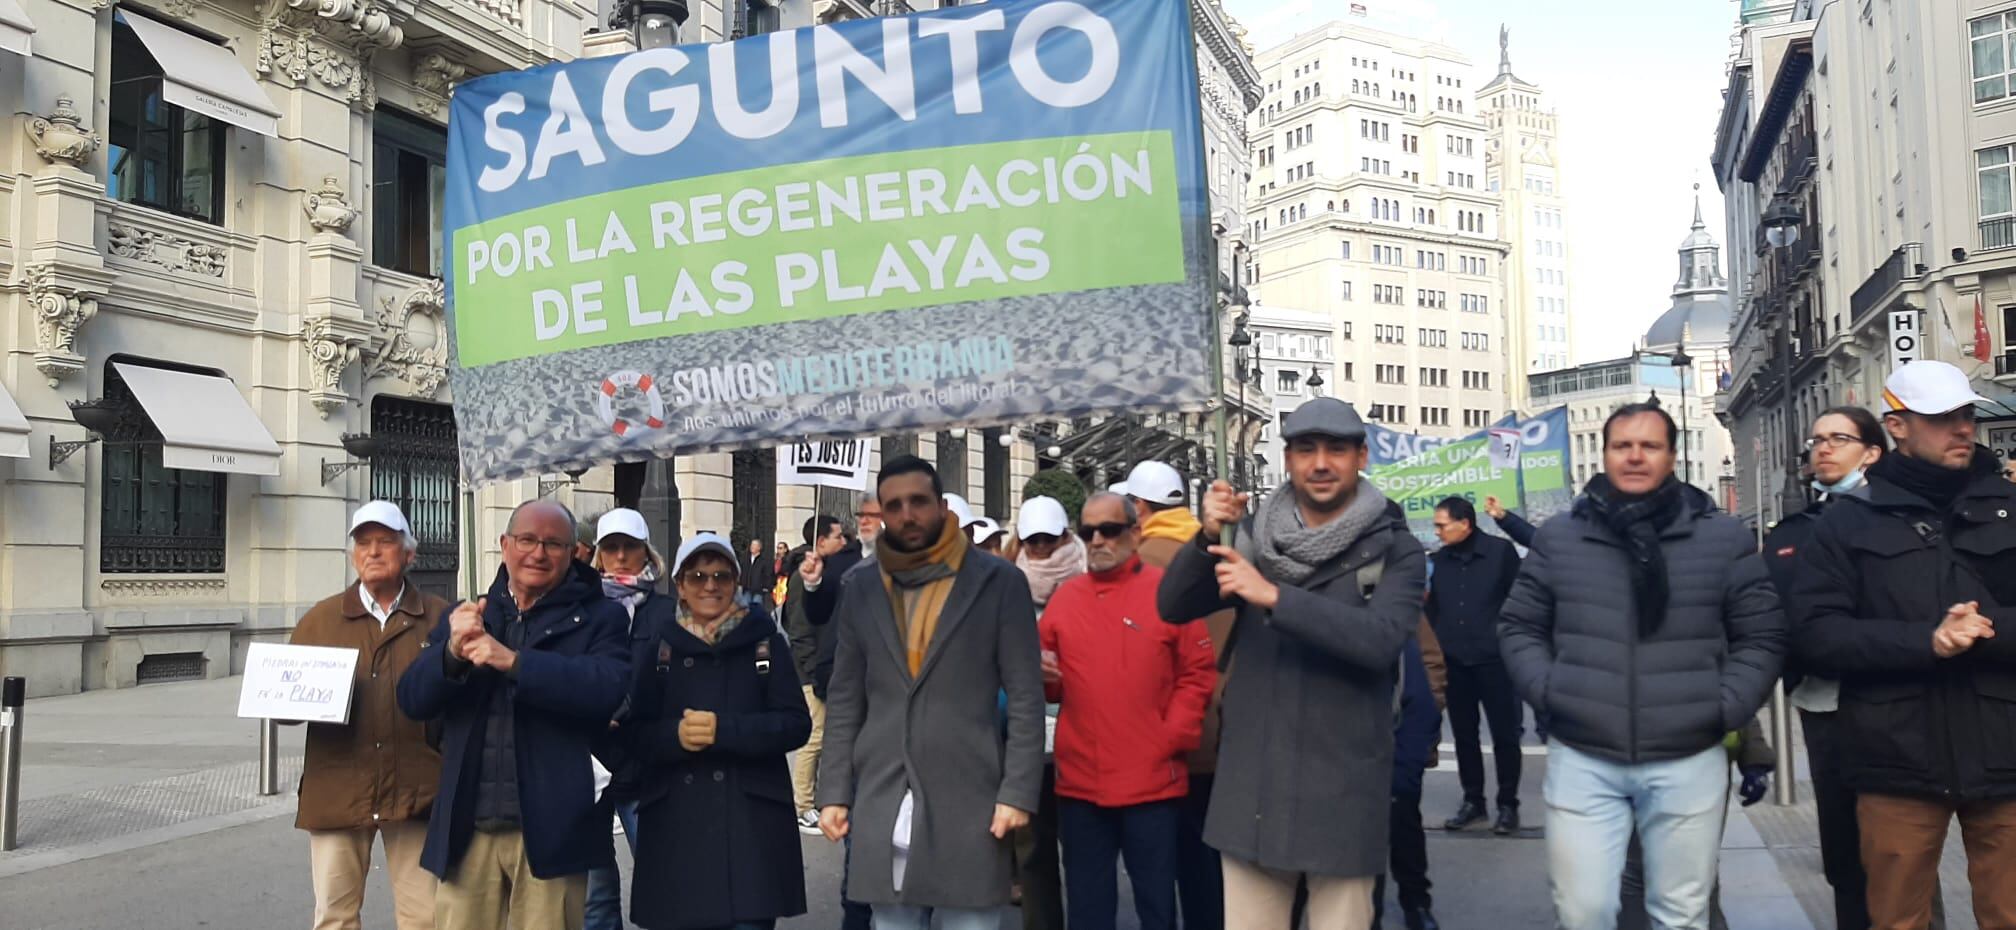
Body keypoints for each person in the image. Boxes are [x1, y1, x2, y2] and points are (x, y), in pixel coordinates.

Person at [1499, 402, 1785, 930]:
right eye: (1622, 446)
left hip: (1688, 753)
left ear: (1672, 457)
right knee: (1583, 910)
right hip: (1585, 753)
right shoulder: (1561, 538)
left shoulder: (1722, 539)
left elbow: (1761, 635)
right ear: (1603, 455)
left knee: (1681, 912)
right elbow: (1519, 626)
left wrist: (1723, 707)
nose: (1634, 456)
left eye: (1649, 446)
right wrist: (1552, 691)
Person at [1156, 397, 1426, 930]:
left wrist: (1274, 597)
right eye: (1306, 449)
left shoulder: (1397, 549)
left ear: (1362, 457)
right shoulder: (1251, 535)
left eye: (1336, 450)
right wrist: (1207, 537)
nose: (1320, 463)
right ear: (1288, 460)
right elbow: (1174, 605)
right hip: (1253, 790)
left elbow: (1380, 641)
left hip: (1344, 796)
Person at [1790, 360, 2016, 930]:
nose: (1961, 428)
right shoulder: (1846, 523)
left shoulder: (2010, 511)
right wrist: (1927, 642)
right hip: (1895, 758)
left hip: (2006, 752)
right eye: (1942, 418)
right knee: (1897, 920)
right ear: (1897, 426)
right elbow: (1817, 634)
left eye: (1966, 415)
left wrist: (1983, 631)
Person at [815, 456, 1046, 930]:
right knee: (891, 921)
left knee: (970, 921)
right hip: (884, 793)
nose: (907, 515)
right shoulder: (861, 586)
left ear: (942, 507)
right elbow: (845, 698)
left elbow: (1026, 696)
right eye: (894, 505)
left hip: (972, 796)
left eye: (918, 501)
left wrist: (1018, 792)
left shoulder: (998, 582)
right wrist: (833, 791)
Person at [397, 500, 632, 930]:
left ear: (573, 553)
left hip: (552, 830)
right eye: (527, 540)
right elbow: (412, 700)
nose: (538, 553)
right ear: (505, 545)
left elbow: (605, 688)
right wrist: (451, 655)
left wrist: (515, 662)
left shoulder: (601, 617)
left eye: (553, 544)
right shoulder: (467, 615)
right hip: (469, 827)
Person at [1040, 492, 1216, 930]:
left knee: (1157, 908)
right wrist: (1043, 675)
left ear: (1135, 534)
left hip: (1152, 785)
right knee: (1087, 911)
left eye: (1109, 530)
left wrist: (1170, 737)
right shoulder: (1065, 599)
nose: (1098, 540)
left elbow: (1197, 672)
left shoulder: (1169, 593)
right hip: (1081, 785)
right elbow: (1050, 682)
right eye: (1088, 532)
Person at [621, 532, 812, 930]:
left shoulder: (765, 643)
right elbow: (634, 734)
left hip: (749, 832)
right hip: (677, 831)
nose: (710, 585)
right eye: (697, 576)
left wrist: (725, 731)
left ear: (736, 582)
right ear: (680, 586)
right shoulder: (661, 647)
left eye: (721, 576)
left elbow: (795, 724)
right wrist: (675, 737)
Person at [289, 501, 448, 930]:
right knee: (334, 917)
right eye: (363, 543)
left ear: (409, 553)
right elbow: (285, 704)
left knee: (427, 917)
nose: (373, 552)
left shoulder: (439, 618)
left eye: (385, 542)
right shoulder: (320, 621)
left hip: (418, 791)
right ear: (353, 555)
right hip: (339, 789)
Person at [1760, 406, 1887, 930]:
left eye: (1838, 438)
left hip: (1891, 701)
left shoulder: (1897, 517)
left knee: (1898, 853)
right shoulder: (1795, 530)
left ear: (1872, 452)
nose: (1824, 449)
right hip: (1821, 701)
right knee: (1842, 847)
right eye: (1816, 441)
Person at [1124, 460, 1234, 930]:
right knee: (1207, 859)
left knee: (1160, 864)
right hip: (1224, 723)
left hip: (1170, 732)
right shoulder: (1219, 548)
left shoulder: (1145, 560)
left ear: (1139, 507)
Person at [584, 509, 667, 930]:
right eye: (611, 547)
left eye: (629, 547)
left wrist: (629, 706)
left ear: (646, 553)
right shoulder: (581, 609)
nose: (620, 556)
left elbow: (674, 680)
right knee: (595, 896)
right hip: (590, 766)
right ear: (598, 555)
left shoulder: (667, 612)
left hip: (645, 764)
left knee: (662, 884)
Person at [1426, 496, 1526, 836]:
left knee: (1505, 735)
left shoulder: (1500, 554)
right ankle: (1473, 801)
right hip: (1455, 662)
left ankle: (1508, 804)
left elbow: (1520, 601)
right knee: (1464, 736)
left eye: (1442, 525)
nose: (1437, 532)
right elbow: (1432, 609)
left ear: (1464, 524)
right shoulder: (1437, 561)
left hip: (1495, 660)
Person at [1615, 718, 1775, 930]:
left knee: (1694, 870)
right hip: (1637, 759)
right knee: (1640, 869)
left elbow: (1738, 703)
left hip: (1700, 760)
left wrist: (1754, 755)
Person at [785, 515, 853, 835]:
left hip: (821, 668)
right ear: (821, 541)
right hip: (811, 671)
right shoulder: (804, 577)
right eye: (838, 537)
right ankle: (802, 805)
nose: (844, 542)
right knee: (814, 736)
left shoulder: (826, 573)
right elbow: (800, 630)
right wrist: (813, 673)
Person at [1372, 633, 1443, 930]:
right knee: (1360, 840)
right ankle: (1369, 911)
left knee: (1404, 822)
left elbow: (1431, 668)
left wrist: (1410, 762)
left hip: (1400, 744)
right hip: (1346, 757)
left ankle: (1416, 902)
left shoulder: (1403, 619)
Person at [1017, 496, 1087, 611]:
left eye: (1049, 538)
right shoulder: (1009, 578)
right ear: (1022, 541)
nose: (1041, 545)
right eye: (1032, 539)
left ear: (1065, 537)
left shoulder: (1088, 570)